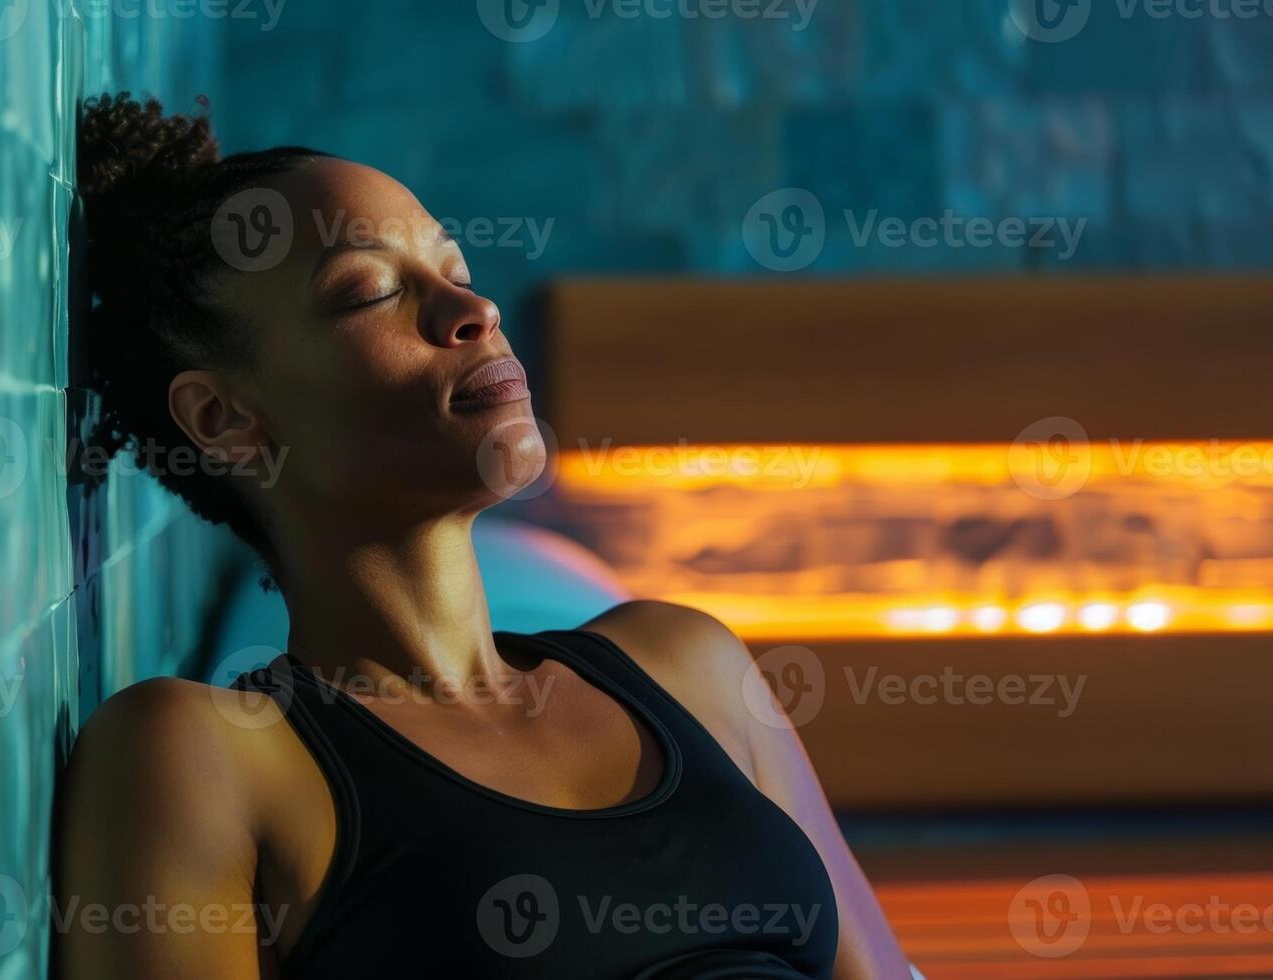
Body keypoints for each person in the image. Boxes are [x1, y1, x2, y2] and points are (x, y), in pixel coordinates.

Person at [53, 92, 911, 979]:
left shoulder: (685, 661)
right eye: (371, 291)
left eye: (453, 267)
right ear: (225, 417)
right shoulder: (210, 755)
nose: (472, 309)